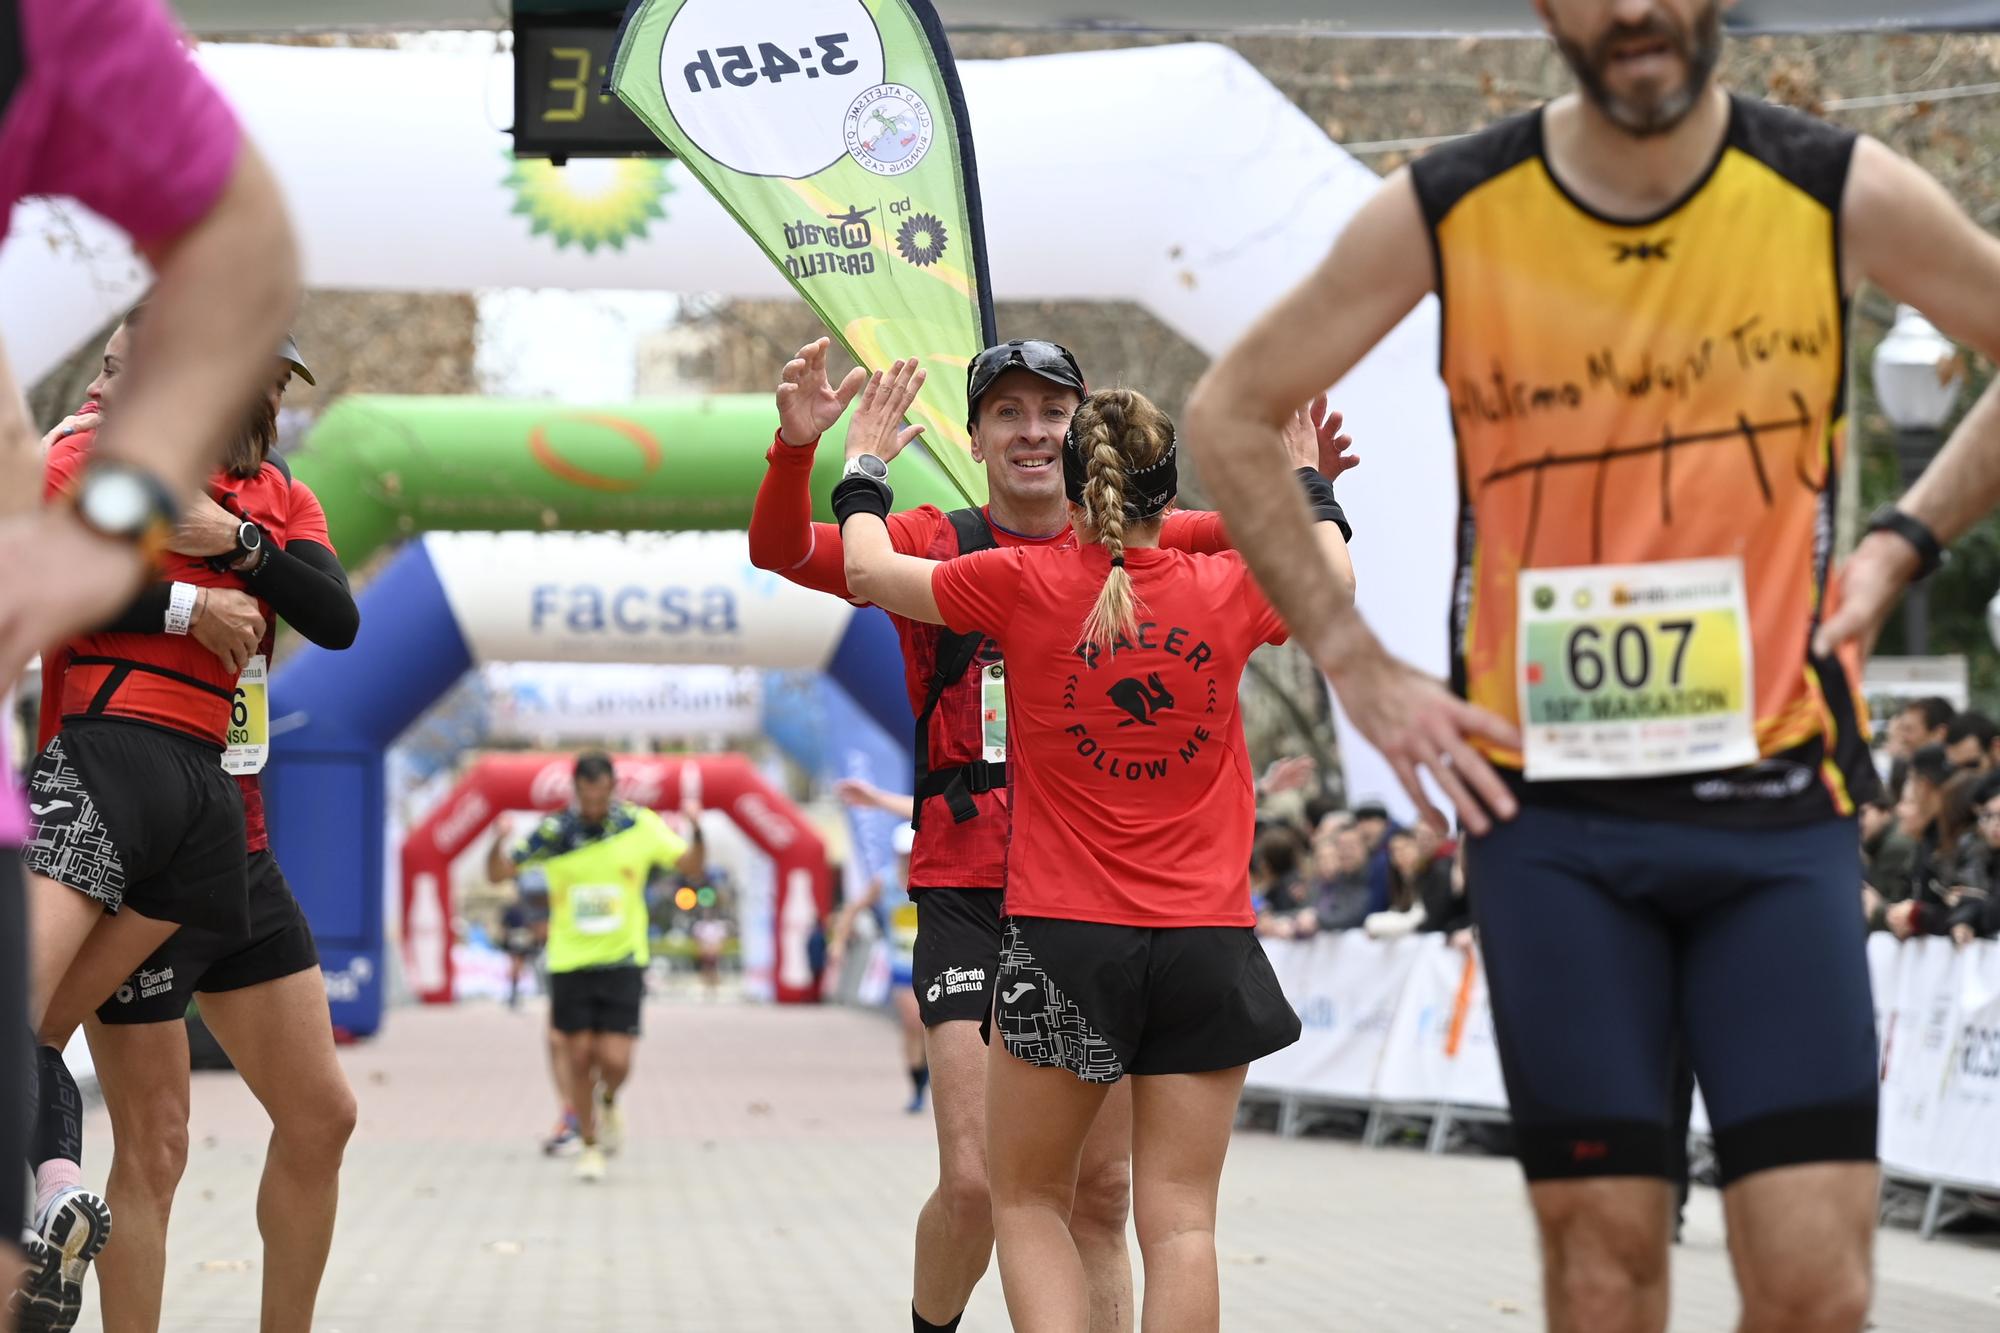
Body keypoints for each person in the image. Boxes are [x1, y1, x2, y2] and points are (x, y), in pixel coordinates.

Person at [1184, 0, 2000, 1325]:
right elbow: (1229, 408)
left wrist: (1903, 544)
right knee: (1605, 1274)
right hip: (1551, 826)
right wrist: (1356, 660)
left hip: (1774, 807)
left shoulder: (1827, 185)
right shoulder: (1454, 201)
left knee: (1818, 1287)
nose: (1634, 9)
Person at [749, 335, 1354, 1333]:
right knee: (984, 1186)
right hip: (977, 891)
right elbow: (781, 552)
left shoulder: (1159, 544)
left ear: (1082, 441)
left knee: (1104, 1196)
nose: (1032, 430)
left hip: (1081, 912)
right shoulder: (942, 542)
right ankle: (930, 1321)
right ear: (976, 436)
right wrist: (791, 454)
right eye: (1008, 413)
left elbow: (1250, 544)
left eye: (1052, 412)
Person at [0, 1, 299, 1319]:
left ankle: (51, 1190)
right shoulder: (84, 439)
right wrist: (174, 596)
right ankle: (52, 1180)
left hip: (198, 813)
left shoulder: (48, 21)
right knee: (54, 1055)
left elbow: (245, 240)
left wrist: (121, 534)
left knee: (177, 1134)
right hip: (100, 779)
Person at [27, 331, 358, 1333]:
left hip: (231, 839)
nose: (259, 386)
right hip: (118, 800)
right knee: (155, 1140)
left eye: (275, 374)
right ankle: (49, 1229)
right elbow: (50, 577)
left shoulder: (279, 494)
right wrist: (187, 604)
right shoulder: (103, 450)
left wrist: (240, 547)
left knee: (322, 1116)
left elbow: (333, 615)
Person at [486, 754, 703, 1184]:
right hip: (570, 961)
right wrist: (498, 841)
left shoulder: (638, 825)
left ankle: (608, 1100)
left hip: (623, 960)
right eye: (585, 794)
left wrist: (697, 831)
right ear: (575, 789)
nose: (592, 803)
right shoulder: (555, 832)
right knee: (578, 1055)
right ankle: (588, 1143)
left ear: (612, 787)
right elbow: (498, 874)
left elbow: (691, 867)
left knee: (616, 1060)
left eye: (600, 793)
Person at [828, 795, 929, 1113]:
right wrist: (838, 942)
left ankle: (929, 1072)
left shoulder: (930, 879)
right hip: (900, 962)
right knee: (912, 1022)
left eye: (910, 853)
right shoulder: (883, 882)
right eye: (901, 854)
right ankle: (916, 1084)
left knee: (932, 1026)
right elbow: (852, 909)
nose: (906, 859)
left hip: (933, 960)